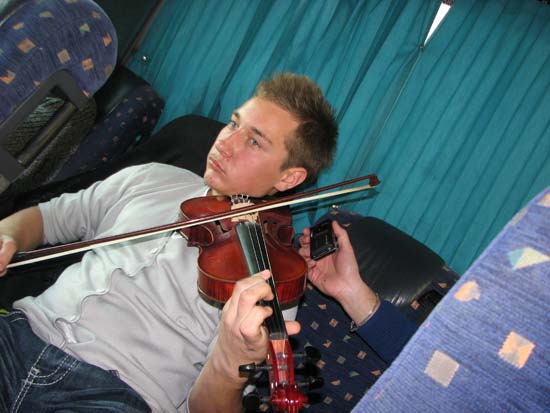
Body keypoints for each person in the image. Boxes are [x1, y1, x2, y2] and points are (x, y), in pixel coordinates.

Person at [0, 73, 412, 413]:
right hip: (19, 335)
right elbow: (47, 218)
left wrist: (230, 362)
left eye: (254, 141)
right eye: (233, 123)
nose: (224, 143)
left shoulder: (272, 278)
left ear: (288, 178)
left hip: (112, 393)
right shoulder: (153, 177)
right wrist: (9, 235)